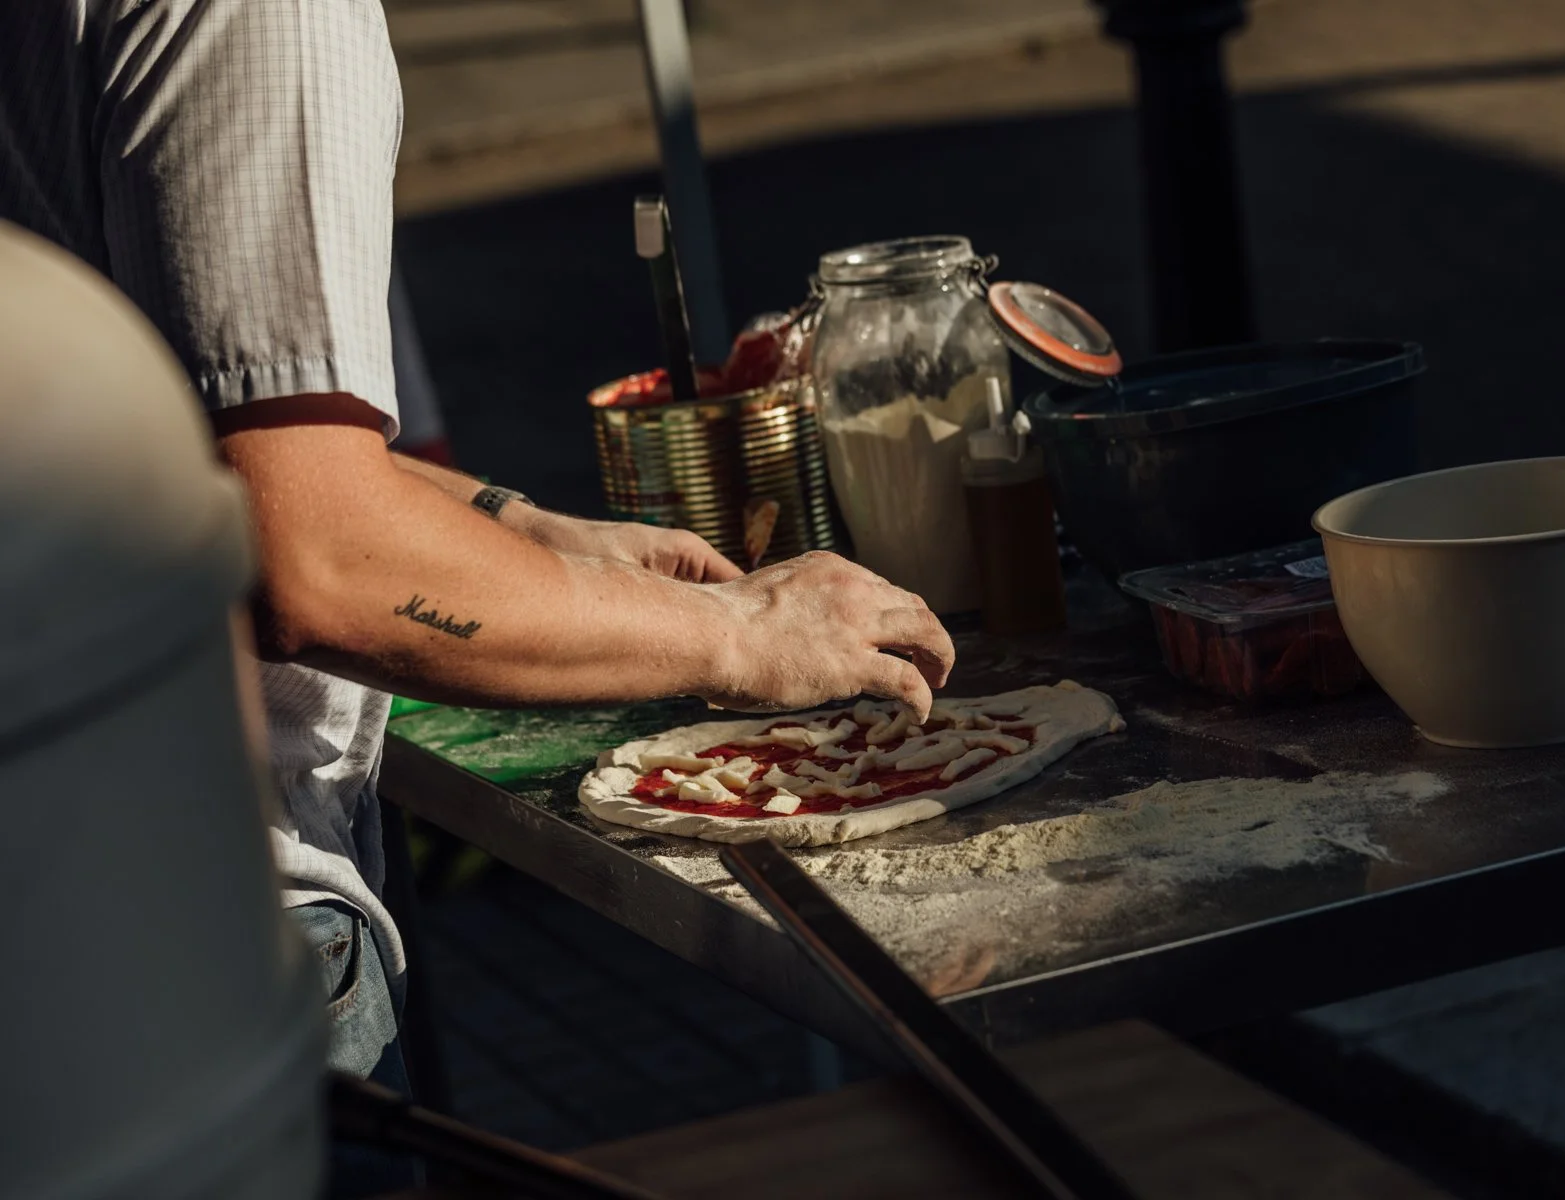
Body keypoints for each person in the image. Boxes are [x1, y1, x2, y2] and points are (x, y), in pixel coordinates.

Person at [0, 2, 954, 1190]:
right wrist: (748, 630)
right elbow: (316, 560)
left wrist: (509, 522)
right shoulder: (265, 17)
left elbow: (195, 427)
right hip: (185, 925)